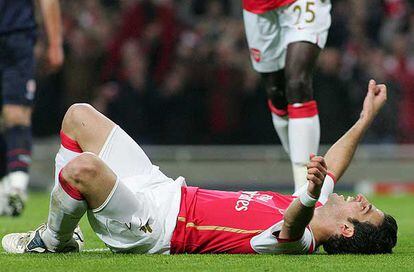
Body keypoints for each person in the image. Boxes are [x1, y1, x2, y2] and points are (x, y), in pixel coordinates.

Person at [2, 80, 397, 255]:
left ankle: (54, 240)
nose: (361, 199)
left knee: (83, 169)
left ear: (346, 230)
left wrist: (309, 194)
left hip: (151, 227)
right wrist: (365, 119)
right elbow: (335, 166)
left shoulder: (302, 243)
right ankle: (63, 232)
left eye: (364, 208)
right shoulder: (313, 203)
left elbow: (292, 226)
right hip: (163, 188)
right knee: (79, 116)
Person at [242, 0, 331, 190]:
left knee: (298, 83)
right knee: (276, 93)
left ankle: (304, 190)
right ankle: (309, 179)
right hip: (258, 8)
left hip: (301, 3)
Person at [0, 0, 64, 216]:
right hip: (17, 36)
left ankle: (16, 187)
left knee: (15, 113)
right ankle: (7, 184)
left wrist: (55, 42)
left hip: (17, 36)